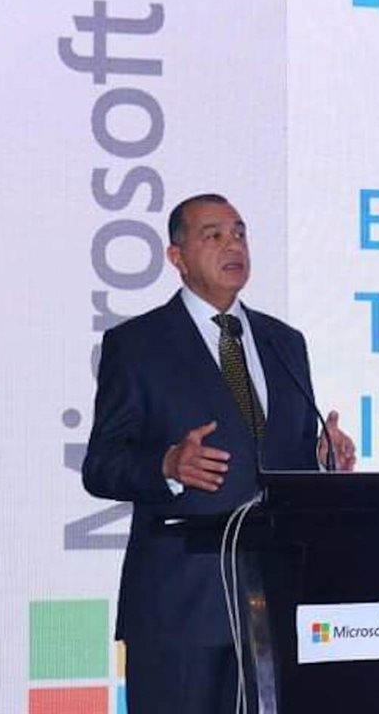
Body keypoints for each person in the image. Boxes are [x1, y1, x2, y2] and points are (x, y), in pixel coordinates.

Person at [82, 193, 357, 714]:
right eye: (213, 235)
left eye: (239, 233)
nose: (233, 244)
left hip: (277, 601)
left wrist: (323, 460)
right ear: (177, 257)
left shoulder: (284, 342)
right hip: (181, 608)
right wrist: (166, 465)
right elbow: (101, 465)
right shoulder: (137, 344)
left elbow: (284, 458)